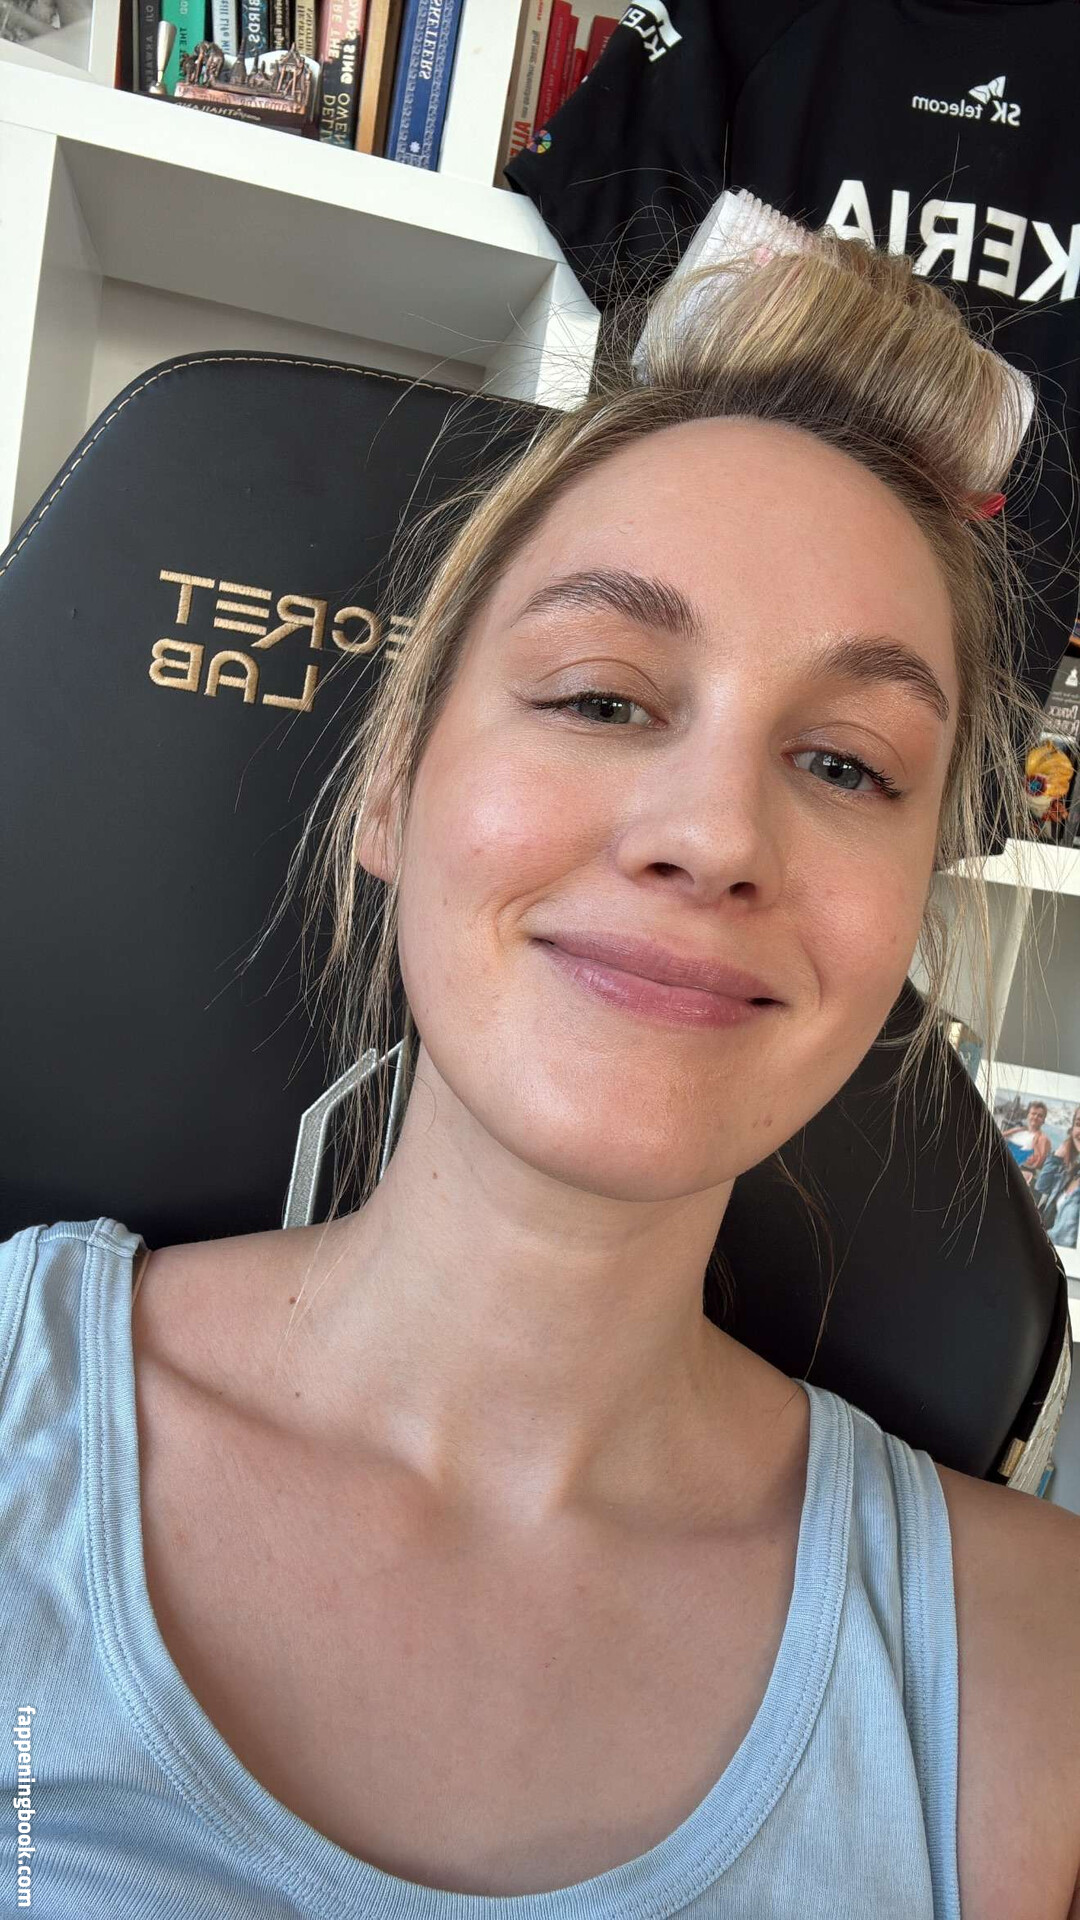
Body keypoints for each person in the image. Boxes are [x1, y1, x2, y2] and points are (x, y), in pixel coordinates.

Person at [3, 190, 1080, 1920]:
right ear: (392, 787)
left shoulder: (1037, 1680)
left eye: (846, 765)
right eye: (602, 696)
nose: (713, 835)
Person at [1033, 1104, 1080, 1251]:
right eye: (1078, 1124)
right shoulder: (1073, 1171)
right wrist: (1057, 1156)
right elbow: (1042, 1186)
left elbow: (1063, 1240)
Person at [1002, 1099, 1053, 1184]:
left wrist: (1035, 1145)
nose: (1035, 1117)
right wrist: (1012, 1131)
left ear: (1043, 1120)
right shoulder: (1019, 1130)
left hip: (1020, 1174)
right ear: (1028, 1115)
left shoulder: (1042, 1138)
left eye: (1040, 1116)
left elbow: (1037, 1164)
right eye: (1033, 1113)